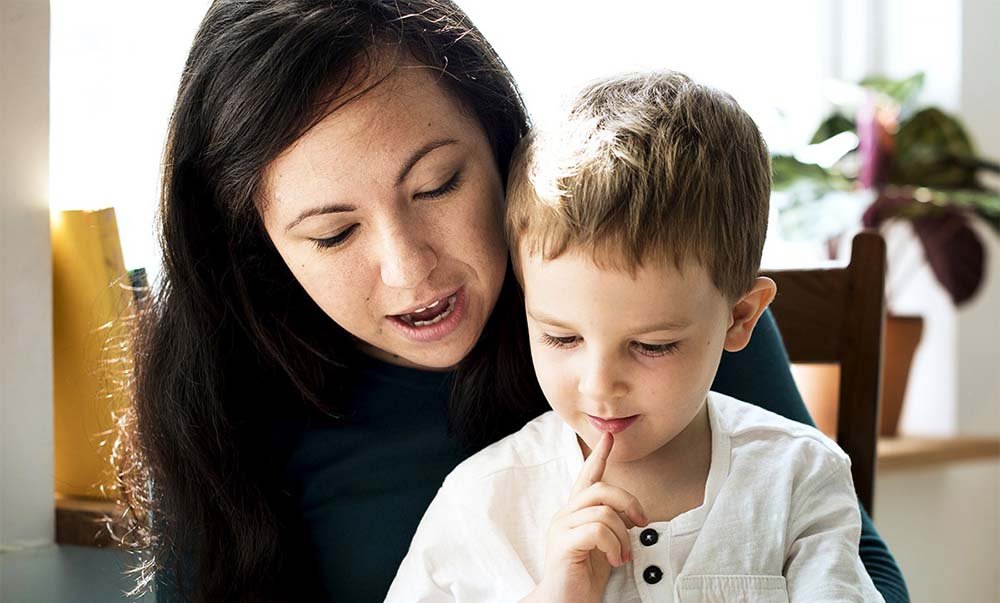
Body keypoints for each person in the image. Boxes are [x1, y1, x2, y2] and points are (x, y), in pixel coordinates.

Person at [116, 1, 908, 602]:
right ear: (254, 243)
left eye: (437, 184)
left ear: (500, 145)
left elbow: (845, 550)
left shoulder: (665, 303)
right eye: (333, 233)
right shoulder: (223, 404)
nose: (409, 270)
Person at [389, 71, 884, 602]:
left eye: (652, 345)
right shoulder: (484, 503)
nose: (599, 386)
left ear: (740, 318)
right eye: (561, 338)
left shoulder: (798, 476)